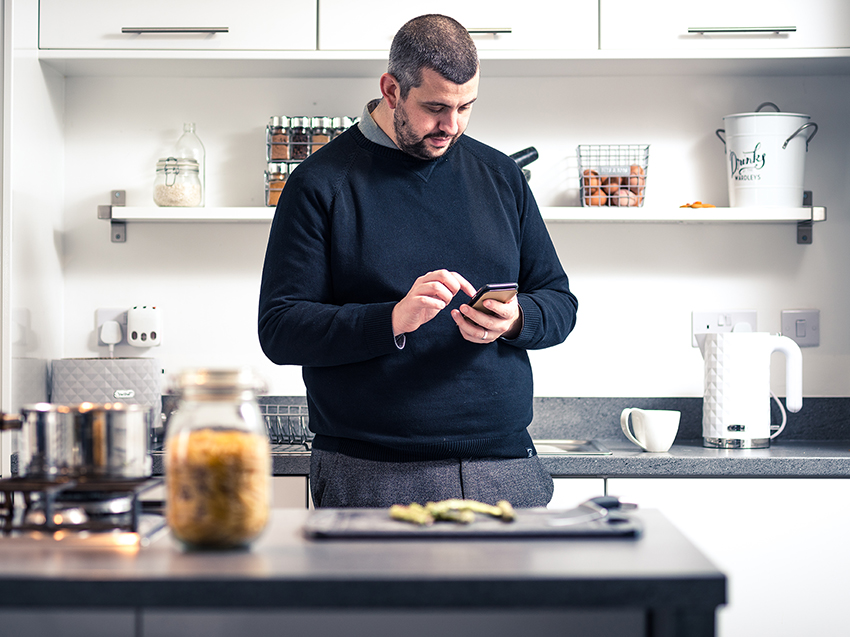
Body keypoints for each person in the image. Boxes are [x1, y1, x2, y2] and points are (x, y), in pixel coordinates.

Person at [258, 14, 578, 508]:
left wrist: (517, 320)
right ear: (391, 89)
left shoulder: (501, 175)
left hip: (506, 468)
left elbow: (559, 301)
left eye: (466, 107)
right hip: (368, 474)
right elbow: (280, 329)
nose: (451, 126)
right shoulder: (319, 183)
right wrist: (389, 319)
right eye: (434, 108)